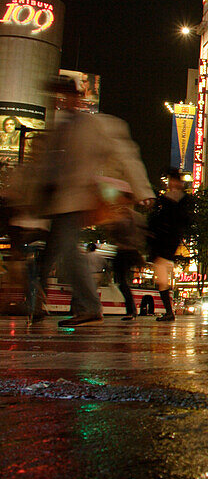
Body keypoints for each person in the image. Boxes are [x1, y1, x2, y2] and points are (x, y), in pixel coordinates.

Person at [28, 76, 153, 326]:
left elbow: (126, 155)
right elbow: (40, 167)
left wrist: (143, 190)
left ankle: (88, 306)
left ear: (78, 97)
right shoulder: (58, 129)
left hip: (76, 200)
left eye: (65, 96)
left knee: (66, 250)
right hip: (53, 202)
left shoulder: (97, 125)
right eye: (57, 97)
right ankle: (35, 304)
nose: (61, 101)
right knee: (47, 256)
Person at [146, 168, 194, 321]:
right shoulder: (168, 199)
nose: (171, 183)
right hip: (164, 239)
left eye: (173, 180)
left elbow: (181, 219)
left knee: (161, 275)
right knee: (161, 276)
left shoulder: (177, 200)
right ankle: (169, 311)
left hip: (167, 240)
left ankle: (169, 311)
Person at [103, 191, 146, 320]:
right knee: (121, 281)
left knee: (121, 281)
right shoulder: (126, 215)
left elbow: (137, 235)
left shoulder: (131, 217)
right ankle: (131, 310)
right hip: (124, 251)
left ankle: (131, 310)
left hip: (127, 251)